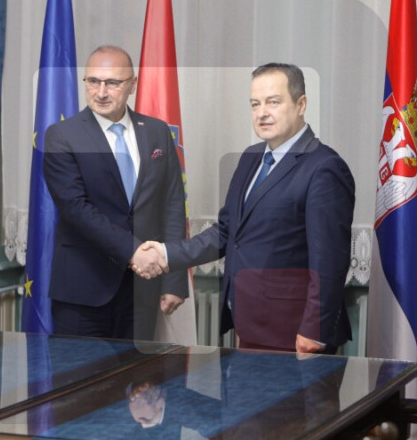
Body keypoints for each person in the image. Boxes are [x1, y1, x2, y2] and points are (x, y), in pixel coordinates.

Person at [139, 63, 355, 354]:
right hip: (250, 323)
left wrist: (314, 330)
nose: (262, 113)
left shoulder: (324, 167)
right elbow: (227, 232)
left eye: (273, 102)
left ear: (301, 104)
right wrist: (166, 254)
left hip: (295, 334)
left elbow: (329, 259)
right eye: (255, 104)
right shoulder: (251, 158)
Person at [42, 45, 188, 341]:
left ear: (132, 84)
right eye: (93, 81)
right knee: (81, 372)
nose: (101, 92)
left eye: (112, 83)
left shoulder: (157, 132)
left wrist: (174, 279)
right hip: (83, 290)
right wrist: (133, 252)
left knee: (138, 372)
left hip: (142, 291)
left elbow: (172, 205)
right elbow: (75, 209)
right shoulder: (62, 136)